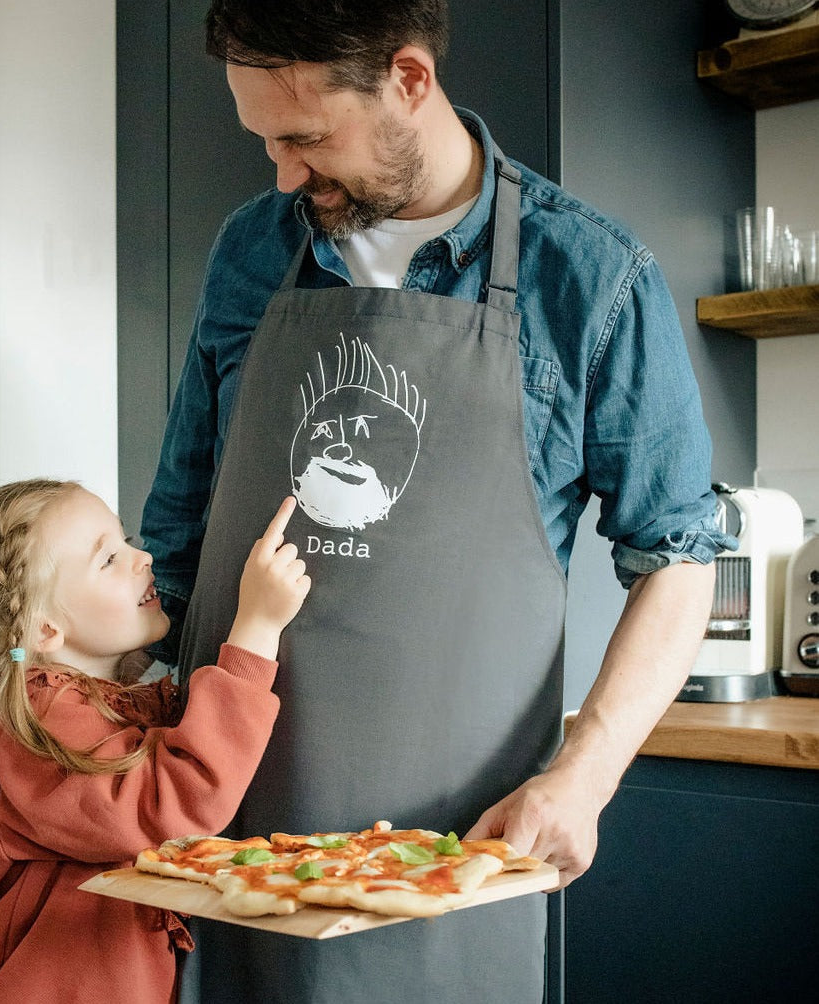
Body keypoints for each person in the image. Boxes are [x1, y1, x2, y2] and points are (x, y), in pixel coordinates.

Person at [139, 2, 736, 1000]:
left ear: (407, 80)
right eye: (266, 143)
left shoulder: (589, 278)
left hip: (456, 850)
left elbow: (676, 556)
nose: (283, 175)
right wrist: (59, 713)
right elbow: (175, 535)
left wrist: (581, 776)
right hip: (229, 843)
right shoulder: (247, 251)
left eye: (304, 137)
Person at [0, 479, 310, 1003]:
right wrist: (256, 628)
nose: (141, 557)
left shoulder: (99, 707)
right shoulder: (34, 724)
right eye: (108, 559)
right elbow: (173, 801)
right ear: (44, 628)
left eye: (126, 540)